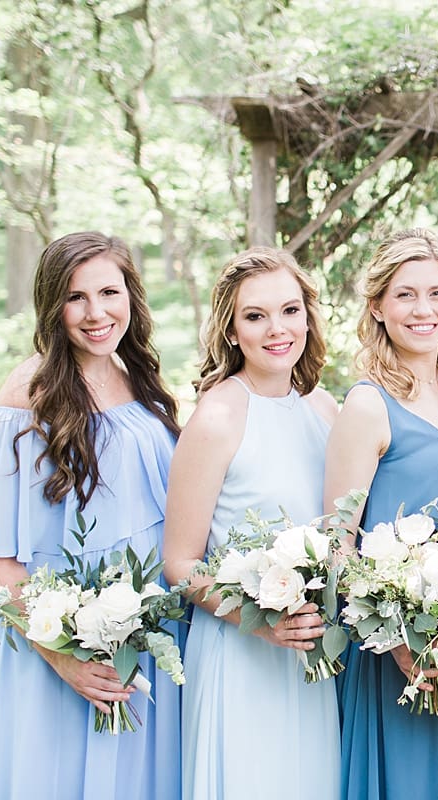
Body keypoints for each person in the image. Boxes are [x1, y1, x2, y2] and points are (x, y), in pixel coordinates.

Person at [0, 232, 182, 799]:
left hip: (147, 632)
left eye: (109, 292)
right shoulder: (27, 392)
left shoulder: (139, 378)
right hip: (61, 640)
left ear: (131, 297)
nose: (96, 314)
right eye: (75, 298)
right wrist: (62, 654)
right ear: (51, 305)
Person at [163, 247, 340, 800]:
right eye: (255, 316)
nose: (277, 329)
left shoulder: (324, 409)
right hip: (242, 654)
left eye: (290, 311)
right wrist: (260, 621)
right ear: (232, 330)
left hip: (312, 654)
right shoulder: (217, 417)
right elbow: (179, 563)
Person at [323, 229, 438, 800]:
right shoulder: (368, 403)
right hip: (397, 646)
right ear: (378, 307)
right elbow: (338, 542)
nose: (423, 309)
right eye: (405, 295)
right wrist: (395, 636)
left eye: (437, 293)